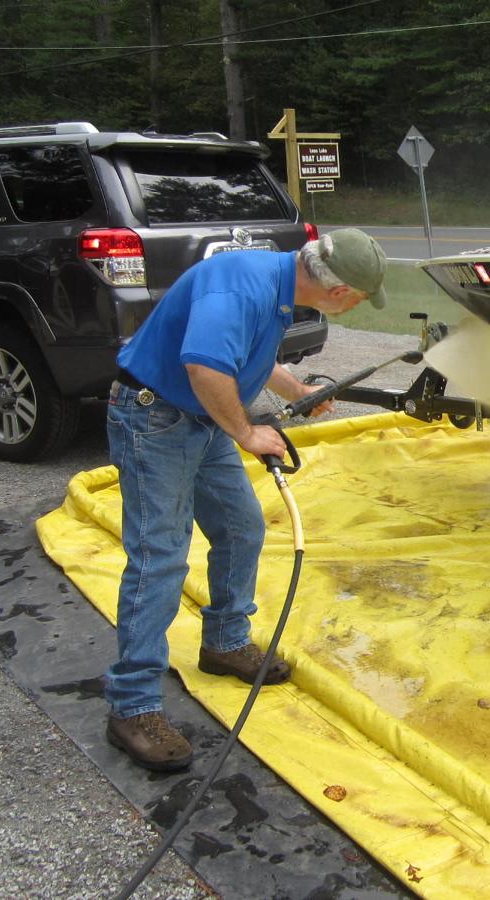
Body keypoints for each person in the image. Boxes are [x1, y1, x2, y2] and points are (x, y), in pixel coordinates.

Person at [104, 228, 387, 771]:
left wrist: (296, 393)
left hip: (197, 418)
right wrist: (248, 433)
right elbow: (205, 367)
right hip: (154, 419)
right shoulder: (243, 288)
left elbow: (242, 356)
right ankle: (132, 706)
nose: (356, 306)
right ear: (339, 292)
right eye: (359, 298)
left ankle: (225, 642)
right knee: (159, 558)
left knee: (241, 528)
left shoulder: (275, 283)